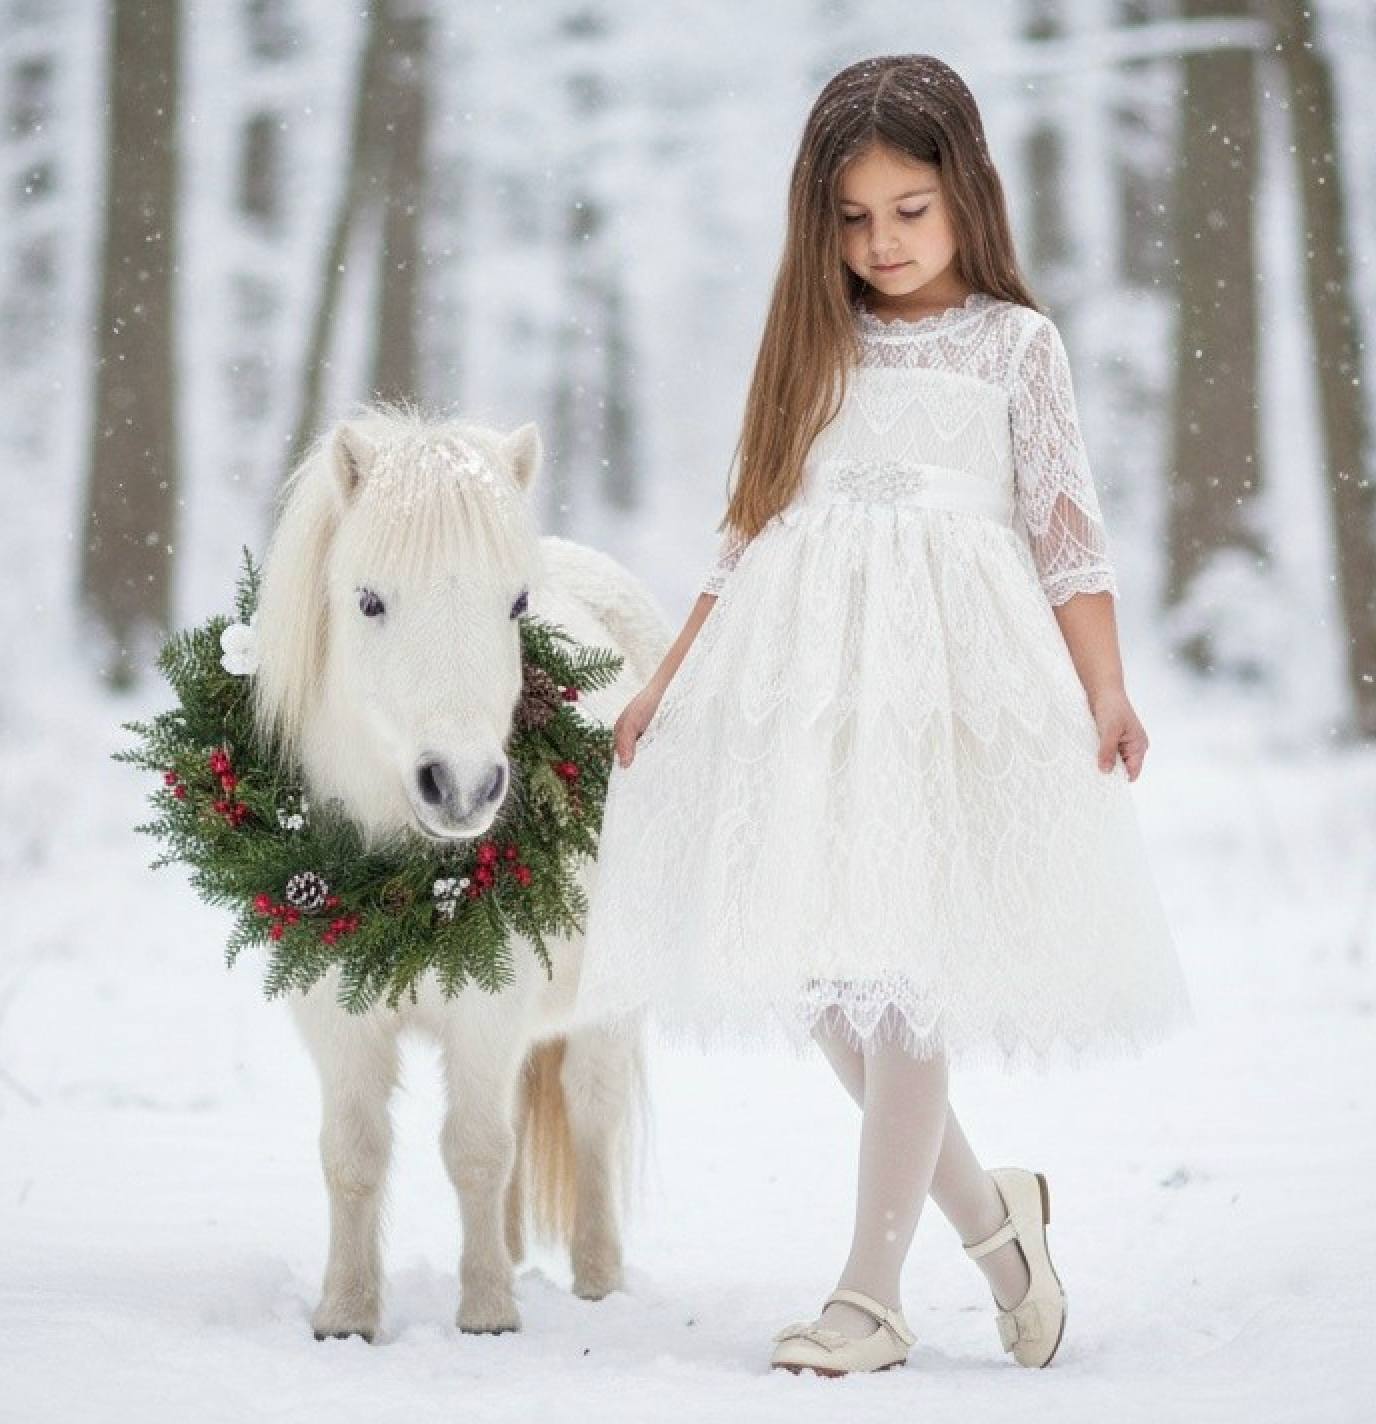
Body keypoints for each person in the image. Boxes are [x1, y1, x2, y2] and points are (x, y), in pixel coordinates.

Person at [578, 53, 1192, 1377]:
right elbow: (746, 529)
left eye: (910, 210)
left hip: (944, 682)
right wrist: (669, 678)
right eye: (853, 219)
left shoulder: (1015, 345)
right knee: (822, 971)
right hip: (803, 678)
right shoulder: (815, 340)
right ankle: (998, 1225)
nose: (883, 243)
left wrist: (1105, 685)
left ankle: (870, 1292)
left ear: (968, 191)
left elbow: (1067, 537)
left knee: (907, 974)